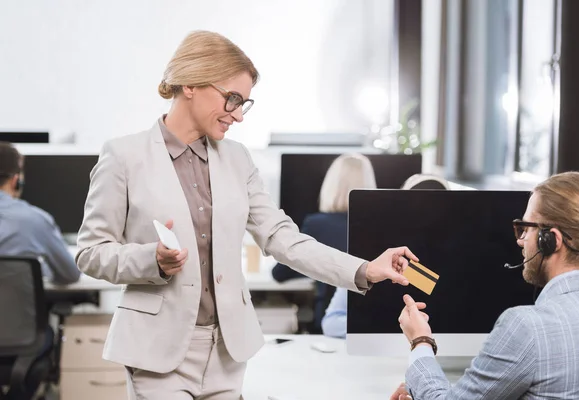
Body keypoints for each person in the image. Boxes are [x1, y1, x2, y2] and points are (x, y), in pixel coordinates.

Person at [76, 30, 418, 400]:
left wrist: (364, 268)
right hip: (158, 352)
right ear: (191, 83)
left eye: (244, 103)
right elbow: (90, 252)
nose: (238, 115)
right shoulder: (124, 156)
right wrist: (151, 259)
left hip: (227, 352)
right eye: (232, 99)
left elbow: (283, 238)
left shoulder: (237, 159)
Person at [391, 171, 579, 400]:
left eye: (526, 228)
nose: (520, 240)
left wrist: (421, 341)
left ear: (550, 240)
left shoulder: (528, 328)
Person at [272, 153, 376, 333]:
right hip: (371, 325)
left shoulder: (317, 224)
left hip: (329, 325)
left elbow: (280, 274)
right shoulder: (380, 226)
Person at [0, 142, 80, 285]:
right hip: (18, 307)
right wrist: (38, 270)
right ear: (16, 181)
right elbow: (70, 275)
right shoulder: (35, 220)